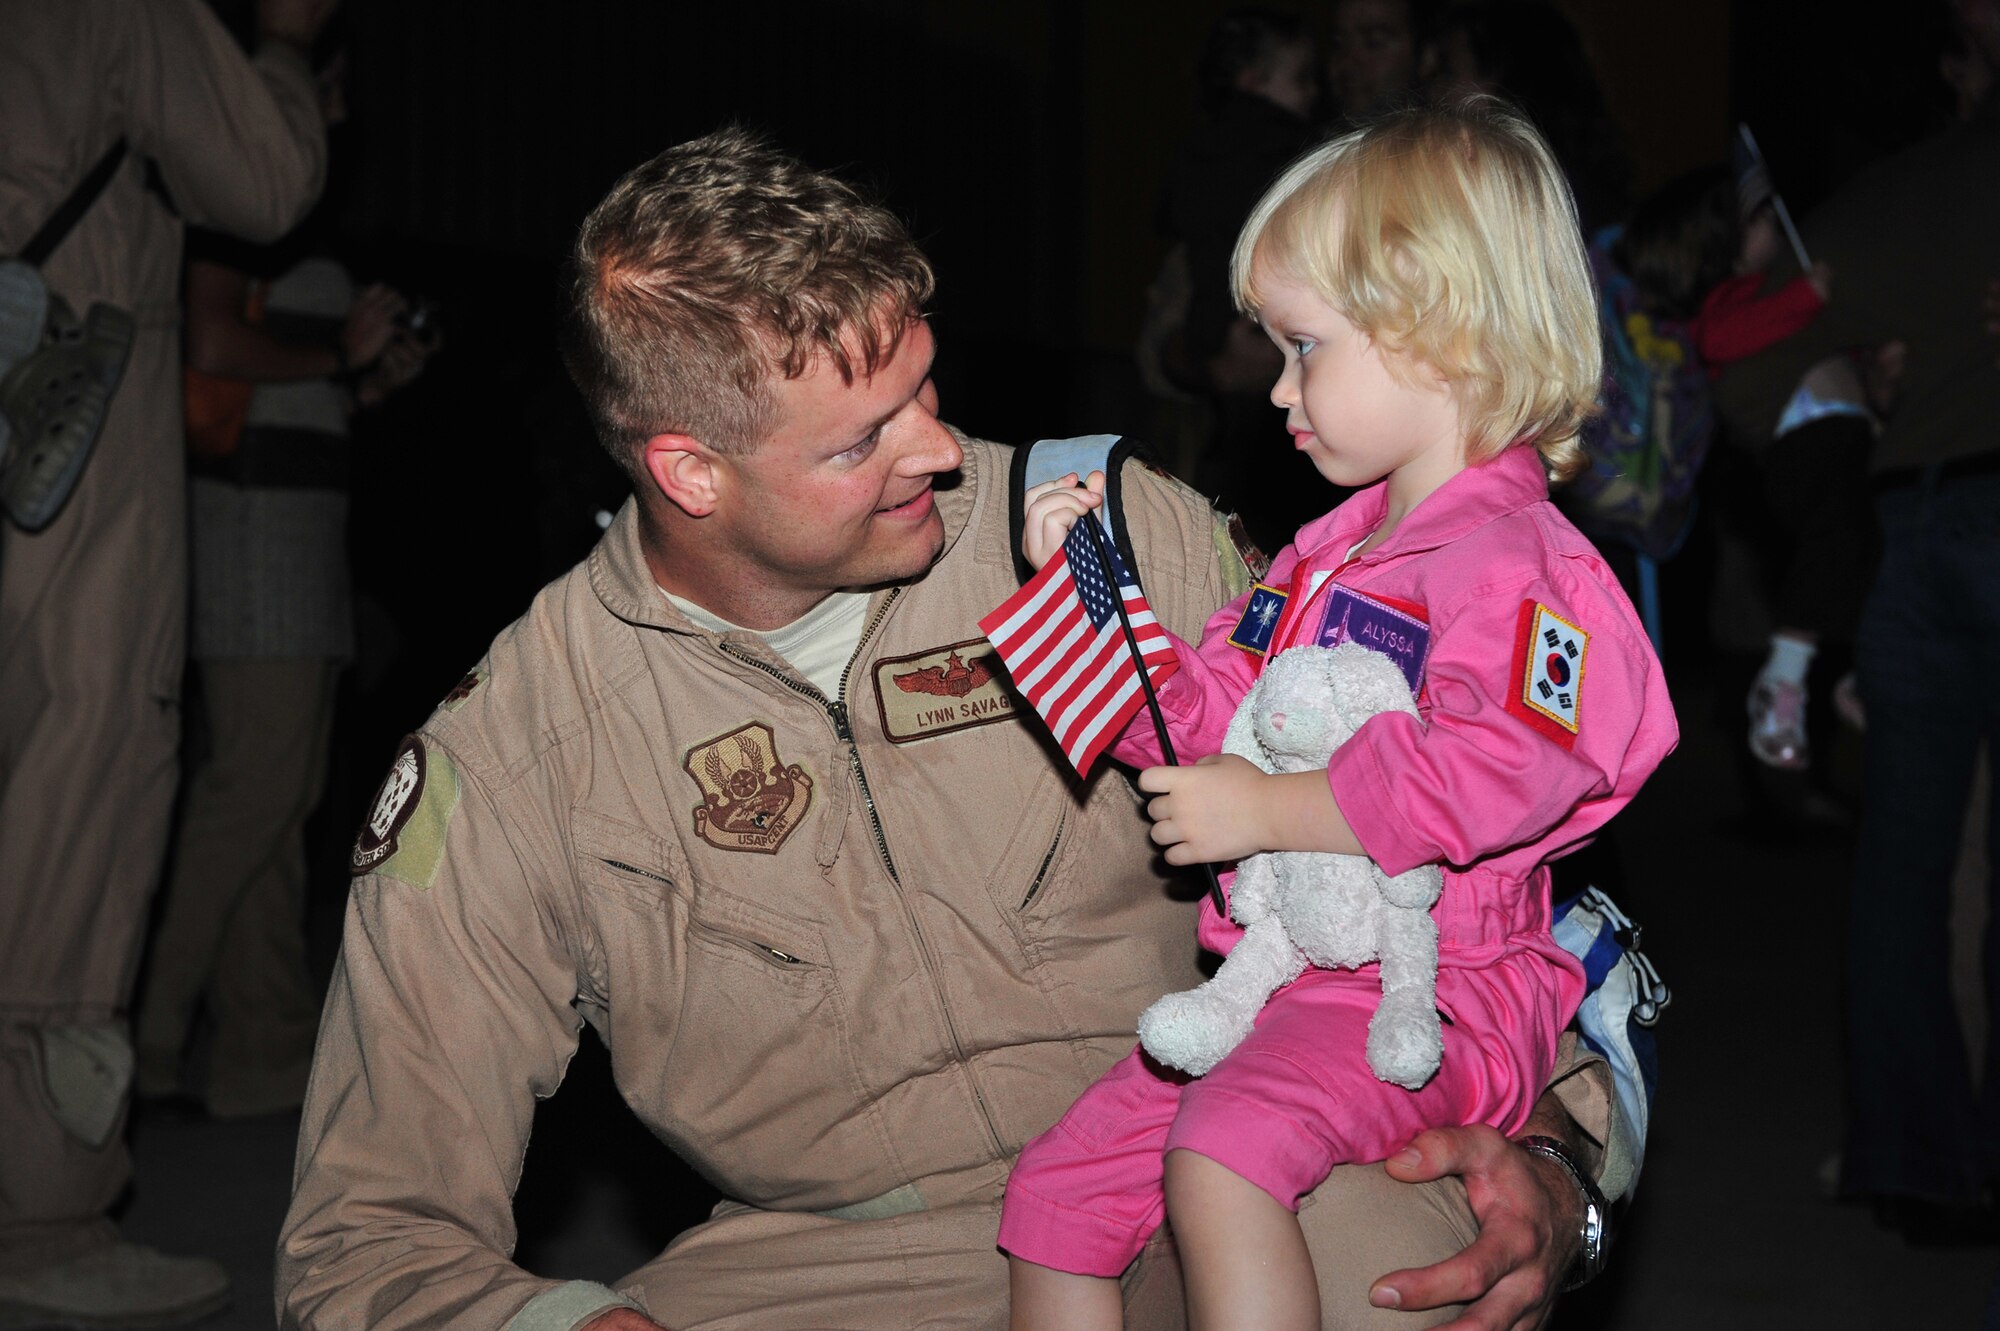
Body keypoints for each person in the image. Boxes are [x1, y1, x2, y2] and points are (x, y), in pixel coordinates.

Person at [277, 128, 1636, 1331]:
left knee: (1383, 1270)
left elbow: (1473, 846)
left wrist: (1569, 1172)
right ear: (690, 469)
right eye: (864, 438)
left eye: (927, 386)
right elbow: (360, 1238)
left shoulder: (1109, 541)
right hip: (827, 1268)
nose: (939, 451)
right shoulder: (527, 750)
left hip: (1206, 1150)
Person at [998, 101, 1676, 1331]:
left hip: (1440, 982)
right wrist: (1095, 614)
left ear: (1443, 334)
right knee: (1056, 1192)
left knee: (1220, 1148)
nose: (1275, 389)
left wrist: (1270, 808)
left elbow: (1511, 766)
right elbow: (1207, 717)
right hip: (1280, 974)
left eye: (1304, 346)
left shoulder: (1524, 567)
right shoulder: (1323, 554)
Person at [0, 2, 331, 1326]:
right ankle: (38, 1213)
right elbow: (263, 176)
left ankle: (250, 1039)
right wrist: (291, 50)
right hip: (64, 417)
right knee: (83, 770)